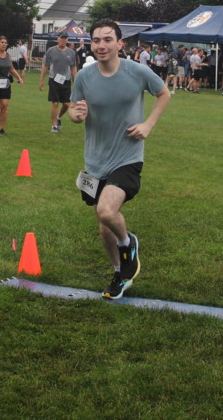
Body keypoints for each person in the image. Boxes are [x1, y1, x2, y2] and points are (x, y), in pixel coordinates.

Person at [68, 20, 170, 300]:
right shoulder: (84, 77)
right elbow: (73, 109)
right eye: (96, 40)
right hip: (95, 160)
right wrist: (76, 115)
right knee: (104, 227)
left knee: (106, 211)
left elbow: (163, 93)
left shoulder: (137, 71)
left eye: (108, 39)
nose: (101, 45)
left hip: (128, 156)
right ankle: (120, 273)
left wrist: (148, 124)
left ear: (120, 43)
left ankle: (128, 243)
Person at [39, 31, 78, 132]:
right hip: (54, 79)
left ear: (67, 40)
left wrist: (76, 82)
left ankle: (59, 117)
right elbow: (45, 65)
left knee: (66, 104)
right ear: (58, 39)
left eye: (65, 38)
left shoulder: (71, 52)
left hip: (66, 80)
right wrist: (41, 80)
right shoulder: (51, 51)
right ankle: (54, 126)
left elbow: (73, 68)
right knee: (55, 103)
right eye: (62, 38)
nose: (63, 40)